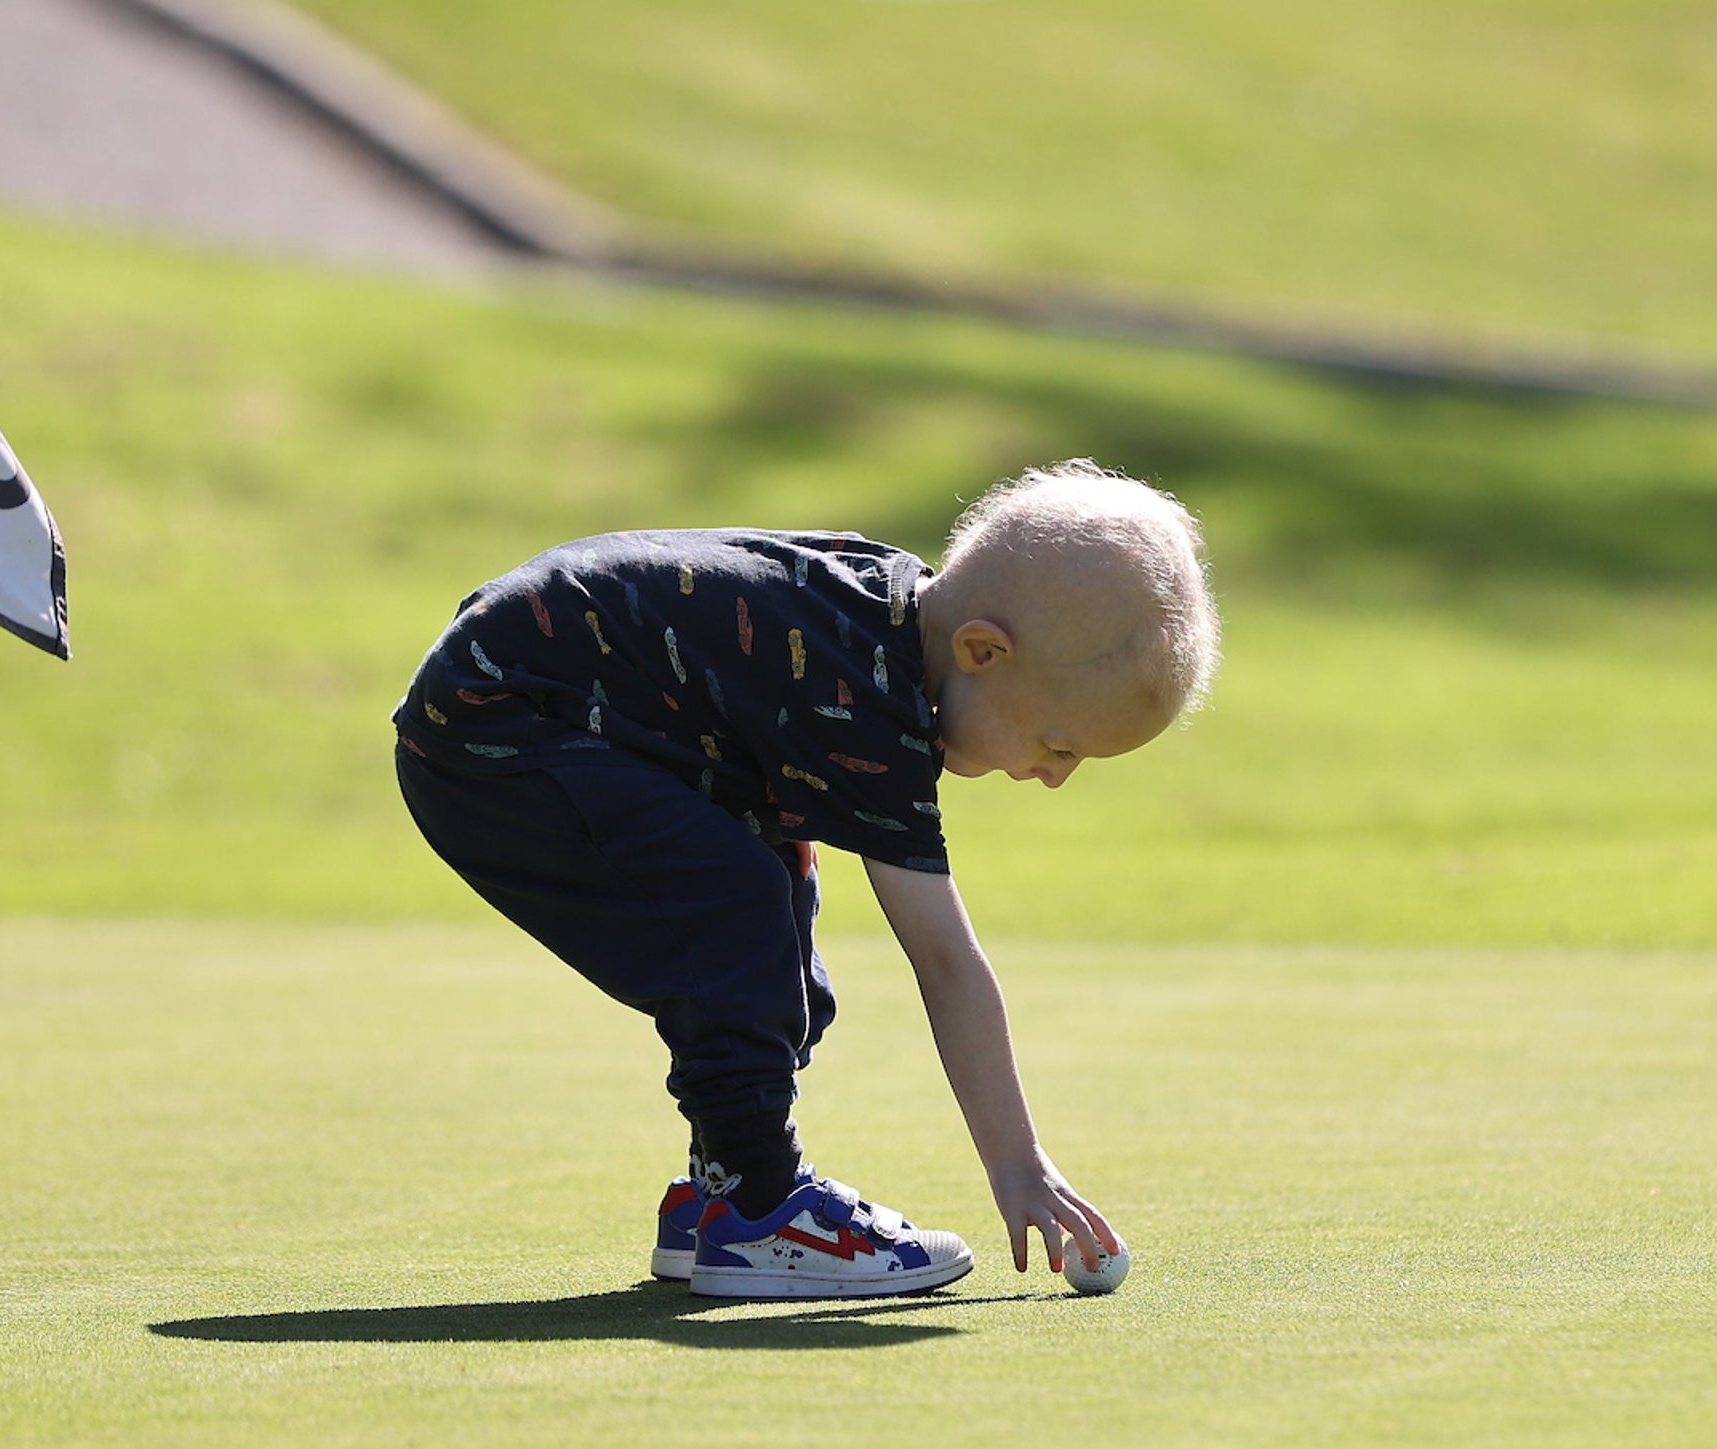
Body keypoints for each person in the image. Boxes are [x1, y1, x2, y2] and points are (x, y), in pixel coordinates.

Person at [391, 461, 1217, 1300]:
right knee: (737, 910)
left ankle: (719, 1190)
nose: (1056, 776)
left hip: (566, 715)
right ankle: (758, 1210)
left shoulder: (885, 617)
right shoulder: (861, 698)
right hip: (495, 724)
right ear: (981, 652)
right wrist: (1020, 1164)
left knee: (779, 923)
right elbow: (946, 960)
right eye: (1058, 745)